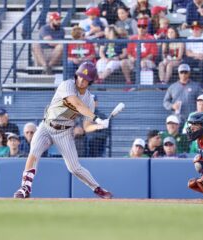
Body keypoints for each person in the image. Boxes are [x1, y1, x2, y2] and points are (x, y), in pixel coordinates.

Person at [14, 62, 113, 199]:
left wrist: (99, 125)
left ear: (90, 82)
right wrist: (97, 118)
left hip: (64, 133)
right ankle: (25, 188)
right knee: (34, 152)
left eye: (85, 79)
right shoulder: (67, 85)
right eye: (80, 77)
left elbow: (86, 127)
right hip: (47, 126)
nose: (81, 80)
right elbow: (76, 104)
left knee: (74, 167)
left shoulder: (89, 100)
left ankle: (97, 188)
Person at [121, 17, 158, 87]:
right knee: (123, 62)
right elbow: (129, 53)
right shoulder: (132, 38)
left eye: (143, 27)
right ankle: (128, 83)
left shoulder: (151, 38)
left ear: (147, 28)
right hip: (135, 61)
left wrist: (140, 60)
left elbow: (152, 55)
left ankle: (143, 85)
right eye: (139, 26)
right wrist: (131, 58)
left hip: (148, 62)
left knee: (143, 63)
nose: (141, 28)